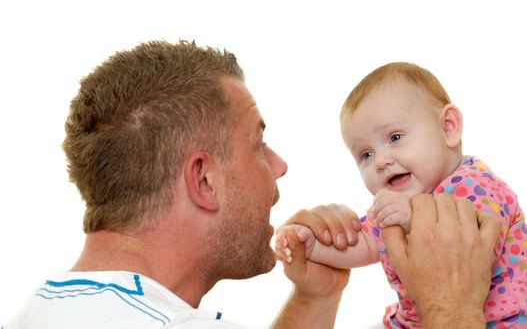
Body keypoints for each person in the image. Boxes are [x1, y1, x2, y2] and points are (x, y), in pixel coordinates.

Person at [4, 43, 499, 329]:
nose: (280, 166)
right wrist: (452, 308)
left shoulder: (72, 309)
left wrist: (316, 298)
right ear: (204, 179)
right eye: (258, 146)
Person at [275, 62, 527, 328]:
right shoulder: (397, 203)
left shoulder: (474, 184)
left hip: (503, 321)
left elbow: (477, 245)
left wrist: (411, 219)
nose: (380, 161)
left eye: (395, 137)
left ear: (448, 127)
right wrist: (313, 245)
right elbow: (363, 241)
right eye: (366, 155)